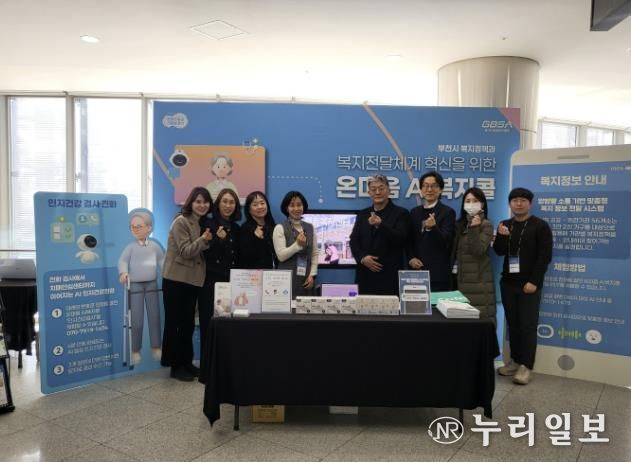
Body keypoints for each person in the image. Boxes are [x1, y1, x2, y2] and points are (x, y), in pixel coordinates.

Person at [493, 187, 553, 385]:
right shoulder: (505, 224)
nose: (518, 204)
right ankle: (515, 361)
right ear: (510, 203)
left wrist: (534, 281)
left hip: (529, 285)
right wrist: (502, 236)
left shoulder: (540, 226)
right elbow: (499, 251)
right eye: (515, 200)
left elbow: (544, 257)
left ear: (530, 203)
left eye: (523, 200)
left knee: (527, 326)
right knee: (513, 324)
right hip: (508, 282)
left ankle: (526, 366)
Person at [161, 186, 213, 381]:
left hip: (191, 281)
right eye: (198, 201)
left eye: (205, 202)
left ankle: (186, 362)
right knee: (175, 324)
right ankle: (175, 366)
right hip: (176, 280)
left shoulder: (202, 222)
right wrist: (204, 240)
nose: (202, 205)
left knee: (188, 324)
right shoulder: (181, 221)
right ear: (191, 202)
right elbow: (185, 251)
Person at [118, 209, 165, 364]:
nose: (135, 229)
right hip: (135, 286)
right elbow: (123, 261)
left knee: (154, 317)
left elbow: (162, 261)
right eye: (133, 227)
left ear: (149, 228)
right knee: (136, 319)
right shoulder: (130, 247)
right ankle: (135, 350)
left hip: (152, 285)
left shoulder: (155, 246)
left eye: (139, 226)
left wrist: (167, 275)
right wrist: (123, 272)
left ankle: (156, 347)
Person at [349, 174, 410, 295]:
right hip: (365, 276)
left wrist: (380, 225)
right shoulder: (363, 214)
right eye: (373, 189)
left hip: (389, 277)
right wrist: (362, 258)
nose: (377, 192)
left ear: (389, 191)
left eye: (381, 188)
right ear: (369, 193)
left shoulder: (401, 213)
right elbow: (353, 240)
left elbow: (401, 239)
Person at [198, 188, 241, 356]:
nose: (228, 205)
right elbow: (203, 252)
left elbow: (237, 256)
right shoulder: (207, 224)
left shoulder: (236, 228)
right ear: (218, 204)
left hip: (231, 282)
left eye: (232, 202)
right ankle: (207, 364)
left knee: (228, 324)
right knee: (208, 323)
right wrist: (219, 240)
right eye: (225, 201)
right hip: (210, 281)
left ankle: (224, 362)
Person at [451, 188, 496, 324]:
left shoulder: (486, 225)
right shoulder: (459, 225)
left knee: (480, 325)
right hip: (458, 281)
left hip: (478, 284)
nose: (471, 204)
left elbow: (478, 250)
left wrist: (474, 228)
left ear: (482, 204)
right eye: (468, 201)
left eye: (475, 201)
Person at [407, 171, 456, 292]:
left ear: (441, 190)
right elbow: (408, 240)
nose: (429, 189)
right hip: (416, 272)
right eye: (425, 185)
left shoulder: (447, 212)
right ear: (421, 189)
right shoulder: (414, 212)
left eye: (434, 186)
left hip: (437, 274)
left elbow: (447, 241)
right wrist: (411, 258)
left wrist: (433, 228)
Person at [273, 191, 318, 298]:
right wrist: (297, 245)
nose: (296, 208)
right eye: (292, 205)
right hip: (285, 280)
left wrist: (312, 275)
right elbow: (281, 256)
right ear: (286, 208)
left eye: (299, 205)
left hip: (306, 279)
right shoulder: (280, 228)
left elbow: (315, 253)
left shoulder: (310, 227)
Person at [239, 191, 277, 269]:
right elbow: (244, 256)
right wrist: (256, 239)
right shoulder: (245, 229)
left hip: (274, 274)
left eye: (262, 203)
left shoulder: (274, 227)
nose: (260, 207)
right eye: (255, 204)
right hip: (253, 273)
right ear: (249, 210)